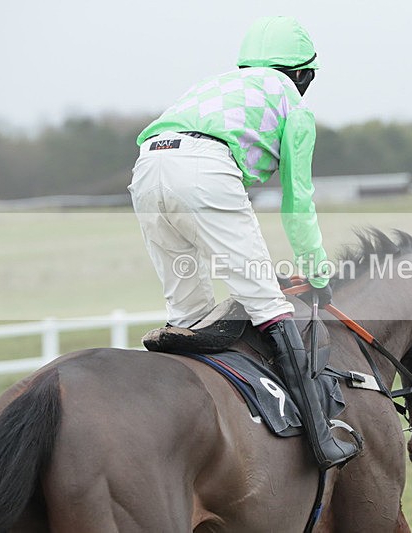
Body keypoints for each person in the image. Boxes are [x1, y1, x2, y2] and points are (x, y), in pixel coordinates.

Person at [128, 16, 359, 470]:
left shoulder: (216, 84)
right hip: (205, 170)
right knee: (267, 305)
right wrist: (317, 272)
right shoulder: (294, 105)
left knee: (188, 314)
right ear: (303, 74)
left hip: (148, 166)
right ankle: (320, 439)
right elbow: (298, 201)